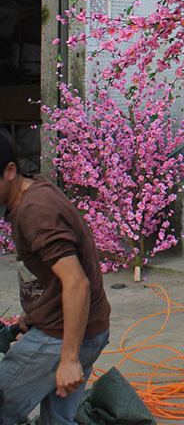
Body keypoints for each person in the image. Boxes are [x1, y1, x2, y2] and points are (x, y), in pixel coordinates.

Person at [0, 134, 110, 424]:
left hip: (64, 336)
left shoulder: (35, 212)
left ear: (10, 171)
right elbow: (51, 271)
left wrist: (69, 358)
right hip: (88, 327)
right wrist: (34, 310)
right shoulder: (32, 189)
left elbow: (76, 283)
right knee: (57, 421)